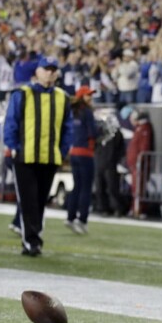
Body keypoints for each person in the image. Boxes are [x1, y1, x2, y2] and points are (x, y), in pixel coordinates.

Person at [3, 55, 73, 256]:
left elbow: (67, 128)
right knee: (28, 200)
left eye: (53, 69)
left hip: (49, 157)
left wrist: (62, 150)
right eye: (46, 69)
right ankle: (30, 241)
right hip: (25, 156)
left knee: (41, 199)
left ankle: (35, 236)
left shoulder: (62, 97)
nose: (50, 73)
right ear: (38, 72)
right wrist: (14, 146)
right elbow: (11, 122)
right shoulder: (22, 94)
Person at [65, 85, 97, 235]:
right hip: (85, 153)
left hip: (74, 153)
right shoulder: (87, 112)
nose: (90, 97)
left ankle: (70, 217)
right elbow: (93, 133)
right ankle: (82, 219)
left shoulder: (72, 112)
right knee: (85, 188)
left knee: (77, 186)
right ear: (81, 96)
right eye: (87, 95)